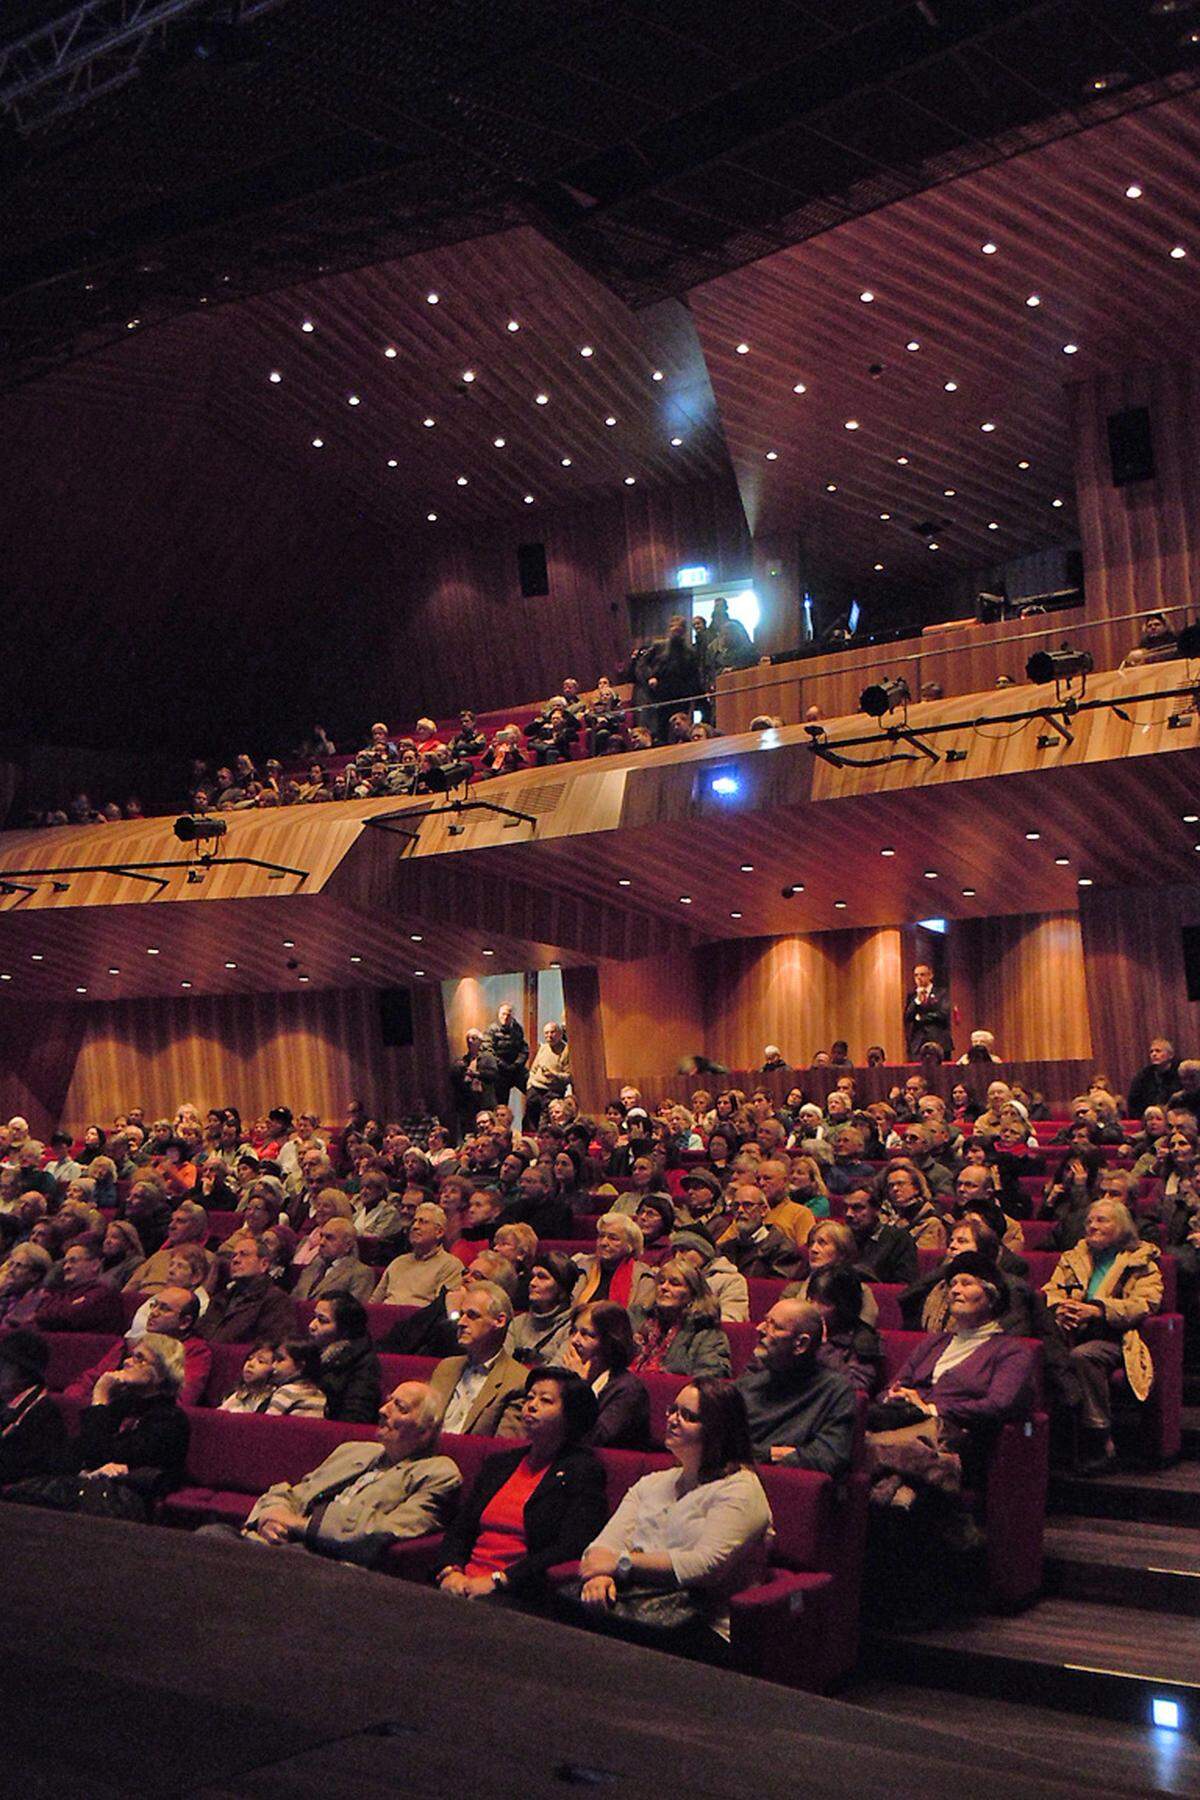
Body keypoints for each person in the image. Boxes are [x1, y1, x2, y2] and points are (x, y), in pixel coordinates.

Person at [577, 1377, 772, 1654]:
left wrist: (620, 1564)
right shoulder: (653, 1483)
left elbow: (705, 1566)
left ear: (718, 1430)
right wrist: (600, 1577)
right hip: (636, 1606)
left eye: (688, 1416)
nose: (672, 1420)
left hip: (702, 1623)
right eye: (672, 1410)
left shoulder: (741, 1489)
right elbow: (599, 1549)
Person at [227, 1380, 460, 1565]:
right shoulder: (353, 1450)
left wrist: (298, 1524)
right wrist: (270, 1515)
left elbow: (380, 1532)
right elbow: (295, 1492)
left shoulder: (438, 1474)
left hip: (324, 1560)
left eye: (400, 1407)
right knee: (212, 1535)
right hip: (273, 1541)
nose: (382, 1410)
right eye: (388, 1401)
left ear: (426, 1431)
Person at [435, 1367, 606, 1602]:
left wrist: (500, 1579)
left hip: (517, 1591)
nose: (532, 1405)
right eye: (530, 1398)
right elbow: (460, 1527)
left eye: (545, 1401)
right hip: (462, 1582)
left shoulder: (583, 1471)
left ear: (571, 1416)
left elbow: (570, 1546)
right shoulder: (500, 1464)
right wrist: (451, 1570)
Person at [5, 1334, 190, 1522]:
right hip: (91, 1487)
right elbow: (82, 1450)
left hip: (127, 1500)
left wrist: (100, 1397)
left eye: (139, 1358)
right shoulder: (123, 1406)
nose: (126, 1362)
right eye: (130, 1355)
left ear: (160, 1373)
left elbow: (99, 1453)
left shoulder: (170, 1420)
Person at [1042, 1199, 1164, 1474]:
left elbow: (1144, 1303)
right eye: (1089, 1221)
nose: (1092, 1226)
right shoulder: (1073, 1256)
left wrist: (1097, 1310)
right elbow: (1050, 1290)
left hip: (1117, 1338)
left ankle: (1099, 1439)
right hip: (1071, 1331)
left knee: (1082, 1357)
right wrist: (1062, 1308)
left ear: (1121, 1227)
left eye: (1101, 1221)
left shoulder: (1141, 1261)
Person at [735, 1299, 858, 1475]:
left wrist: (757, 1455)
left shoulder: (835, 1391)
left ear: (801, 1344)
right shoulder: (746, 1385)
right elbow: (720, 1445)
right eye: (765, 1320)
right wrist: (774, 1453)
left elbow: (829, 1458)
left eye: (774, 1326)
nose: (760, 1329)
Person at [63, 1285, 212, 1408]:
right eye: (154, 1305)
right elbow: (91, 1378)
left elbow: (181, 1400)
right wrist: (69, 1404)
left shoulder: (195, 1351)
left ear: (184, 1322)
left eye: (164, 1309)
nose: (153, 1313)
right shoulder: (135, 1343)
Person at [428, 1281, 528, 1436]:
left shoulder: (518, 1381)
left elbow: (502, 1450)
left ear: (499, 1321)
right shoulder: (446, 1367)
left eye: (472, 1315)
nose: (461, 1323)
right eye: (461, 1315)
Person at [561, 1301, 651, 1449]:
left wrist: (580, 1388)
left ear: (610, 1342)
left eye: (586, 1334)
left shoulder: (629, 1390)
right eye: (574, 1331)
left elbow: (594, 1440)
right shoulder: (566, 1379)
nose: (575, 1340)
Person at [629, 1260, 732, 1378]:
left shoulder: (706, 1330)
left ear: (693, 1292)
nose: (664, 1287)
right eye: (661, 1282)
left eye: (674, 1283)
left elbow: (710, 1377)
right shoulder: (638, 1317)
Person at [199, 1234, 297, 1343]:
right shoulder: (222, 1297)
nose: (235, 1260)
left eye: (244, 1255)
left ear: (263, 1264)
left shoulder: (276, 1301)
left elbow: (270, 1345)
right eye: (234, 1256)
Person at [0, 1330, 68, 1484]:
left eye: (4, 1366)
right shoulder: (5, 1403)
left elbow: (28, 1468)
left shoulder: (43, 1412)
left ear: (24, 1374)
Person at [806, 1265, 884, 1396]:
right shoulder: (800, 1326)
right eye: (810, 1300)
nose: (813, 1308)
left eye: (824, 1303)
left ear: (844, 1307)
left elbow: (856, 1385)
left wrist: (824, 1347)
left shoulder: (864, 1340)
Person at [307, 1293, 383, 1423]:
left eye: (322, 1320)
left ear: (345, 1329)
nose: (311, 1325)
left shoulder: (365, 1363)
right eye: (314, 1317)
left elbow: (355, 1418)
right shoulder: (311, 1352)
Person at [371, 1203, 464, 1306]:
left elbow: (440, 1310)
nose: (415, 1226)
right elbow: (374, 1302)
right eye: (414, 1221)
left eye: (423, 1222)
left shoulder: (450, 1266)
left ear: (439, 1232)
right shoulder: (398, 1262)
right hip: (386, 1317)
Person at [34, 1234, 125, 1333]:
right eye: (65, 1262)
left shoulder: (103, 1293)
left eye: (73, 1261)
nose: (66, 1267)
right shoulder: (62, 1292)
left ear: (95, 1265)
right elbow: (40, 1312)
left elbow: (70, 1316)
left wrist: (49, 1313)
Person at [717, 1185, 804, 1280]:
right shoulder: (724, 1248)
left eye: (748, 1205)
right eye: (736, 1205)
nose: (740, 1210)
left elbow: (773, 1290)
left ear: (763, 1210)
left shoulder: (784, 1249)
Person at [571, 1213, 656, 1311]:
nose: (603, 1243)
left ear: (630, 1245)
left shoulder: (643, 1277)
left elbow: (637, 1319)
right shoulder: (580, 1266)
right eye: (601, 1236)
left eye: (613, 1238)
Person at [509, 1252, 577, 1367]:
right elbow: (502, 1369)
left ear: (562, 1288)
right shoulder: (518, 1323)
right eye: (533, 1276)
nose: (532, 1283)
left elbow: (556, 1373)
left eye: (542, 1277)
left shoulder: (572, 1328)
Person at [843, 1184, 919, 1286]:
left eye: (857, 1208)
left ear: (877, 1209)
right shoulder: (841, 1238)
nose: (849, 1214)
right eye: (846, 1208)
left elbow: (903, 1287)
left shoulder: (899, 1240)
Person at [668, 1230, 749, 1322]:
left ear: (704, 1252)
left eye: (684, 1250)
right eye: (675, 1252)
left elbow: (730, 1321)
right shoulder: (669, 1281)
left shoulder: (732, 1281)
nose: (678, 1257)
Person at [292, 1217, 375, 1303]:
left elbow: (352, 1312)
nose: (321, 1242)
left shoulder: (360, 1273)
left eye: (329, 1238)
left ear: (348, 1245)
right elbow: (294, 1299)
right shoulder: (312, 1267)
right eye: (321, 1236)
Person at [882, 1160, 947, 1252]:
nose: (895, 1189)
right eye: (891, 1185)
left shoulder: (930, 1222)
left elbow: (922, 1260)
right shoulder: (884, 1217)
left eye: (901, 1184)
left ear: (916, 1188)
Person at [525, 1021, 573, 1130]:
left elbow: (569, 1076)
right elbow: (533, 1069)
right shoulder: (543, 1048)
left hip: (553, 1091)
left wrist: (554, 1075)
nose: (549, 1036)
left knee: (545, 1121)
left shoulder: (566, 1051)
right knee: (529, 1120)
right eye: (546, 1033)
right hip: (535, 1089)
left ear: (560, 1034)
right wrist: (529, 1086)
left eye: (552, 1032)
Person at [263, 1339, 328, 1417]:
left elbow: (267, 1423)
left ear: (300, 1365)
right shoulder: (321, 1394)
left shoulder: (287, 1391)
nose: (273, 1366)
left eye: (280, 1360)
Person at [903, 962, 953, 1061]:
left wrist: (920, 1018)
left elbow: (943, 1014)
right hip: (918, 1043)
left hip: (939, 1040)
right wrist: (917, 1001)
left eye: (922, 974)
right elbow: (907, 1017)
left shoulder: (942, 993)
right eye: (916, 975)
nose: (919, 978)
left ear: (930, 975)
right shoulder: (912, 996)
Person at [486, 1002, 530, 1104]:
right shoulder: (492, 1029)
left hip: (516, 1069)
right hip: (500, 1071)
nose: (505, 1017)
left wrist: (516, 1064)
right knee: (501, 1104)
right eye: (503, 1014)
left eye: (508, 1015)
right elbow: (488, 1050)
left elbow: (524, 1049)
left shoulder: (517, 1029)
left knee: (533, 1092)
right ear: (498, 1014)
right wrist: (502, 1065)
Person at [1128, 1037, 1182, 1119]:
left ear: (1170, 1055)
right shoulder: (1143, 1076)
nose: (1154, 1054)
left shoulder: (1180, 1072)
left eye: (1158, 1051)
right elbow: (1134, 1103)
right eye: (1151, 1052)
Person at [219, 1345, 278, 1413]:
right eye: (249, 1359)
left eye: (261, 1361)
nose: (250, 1364)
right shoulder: (238, 1392)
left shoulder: (272, 1397)